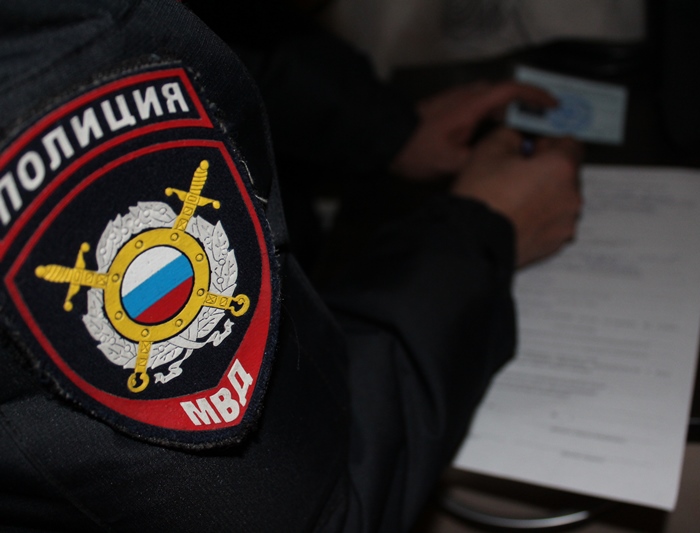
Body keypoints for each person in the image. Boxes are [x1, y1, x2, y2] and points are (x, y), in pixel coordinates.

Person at [0, 1, 581, 531]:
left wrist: (387, 127)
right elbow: (307, 507)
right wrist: (480, 230)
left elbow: (217, 35)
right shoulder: (52, 88)